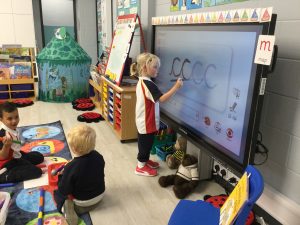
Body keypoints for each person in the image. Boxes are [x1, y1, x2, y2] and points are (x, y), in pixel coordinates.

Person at [130, 53, 183, 177]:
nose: (157, 70)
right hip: (146, 122)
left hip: (145, 120)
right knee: (145, 145)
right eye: (155, 67)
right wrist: (176, 87)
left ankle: (145, 160)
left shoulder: (143, 81)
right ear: (144, 67)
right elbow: (163, 99)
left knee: (147, 144)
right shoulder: (148, 84)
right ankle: (140, 166)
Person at [54, 124, 105, 225]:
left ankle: (68, 209)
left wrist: (61, 176)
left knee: (58, 193)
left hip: (83, 202)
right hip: (100, 196)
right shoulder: (99, 156)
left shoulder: (71, 167)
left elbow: (64, 189)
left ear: (74, 149)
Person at [0, 101, 44, 183]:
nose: (14, 121)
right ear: (1, 120)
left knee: (39, 157)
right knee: (37, 172)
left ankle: (21, 164)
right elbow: (2, 157)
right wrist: (6, 146)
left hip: (16, 156)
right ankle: (5, 176)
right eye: (10, 118)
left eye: (16, 117)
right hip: (6, 164)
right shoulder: (2, 134)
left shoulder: (11, 128)